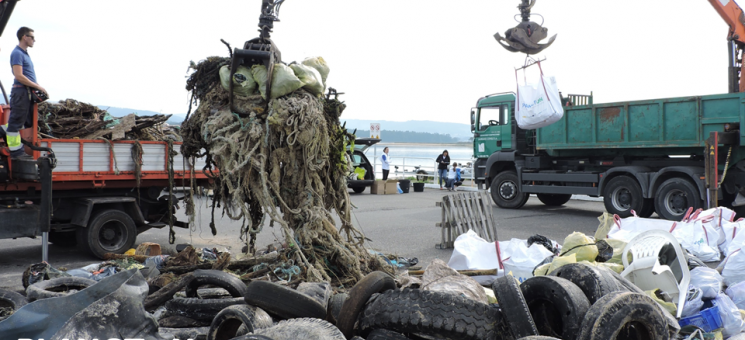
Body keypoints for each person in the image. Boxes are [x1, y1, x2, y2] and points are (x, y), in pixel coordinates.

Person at [4, 27, 46, 159]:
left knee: (25, 122)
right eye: (32, 37)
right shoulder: (17, 53)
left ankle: (2, 130)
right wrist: (39, 87)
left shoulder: (24, 54)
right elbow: (19, 76)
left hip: (26, 92)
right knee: (14, 126)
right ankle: (16, 152)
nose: (34, 40)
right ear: (24, 37)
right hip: (21, 92)